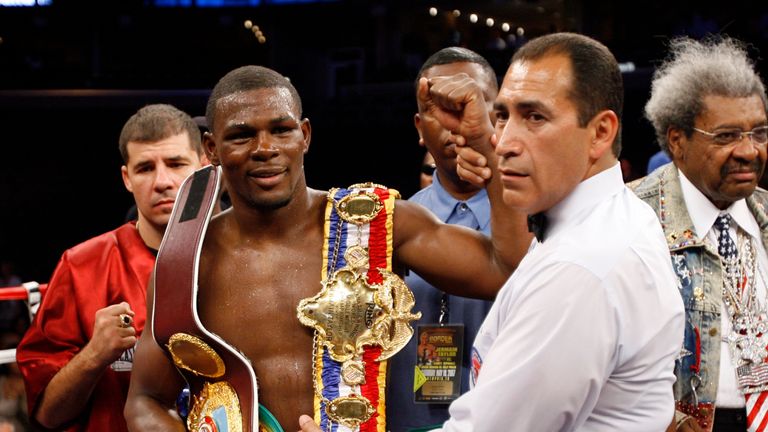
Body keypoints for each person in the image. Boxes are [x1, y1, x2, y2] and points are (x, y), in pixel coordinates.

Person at [301, 31, 686, 432]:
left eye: (534, 117)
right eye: (502, 116)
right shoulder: (618, 217)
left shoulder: (580, 268)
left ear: (601, 133)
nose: (502, 143)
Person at [124, 65, 532, 431]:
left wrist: (484, 143)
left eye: (281, 130)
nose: (265, 148)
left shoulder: (372, 222)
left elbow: (506, 269)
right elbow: (144, 401)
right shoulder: (188, 260)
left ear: (304, 135)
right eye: (242, 135)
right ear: (212, 150)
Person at [15, 104, 207, 431]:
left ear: (204, 166)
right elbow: (47, 415)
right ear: (127, 178)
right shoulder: (81, 266)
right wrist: (95, 355)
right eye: (145, 168)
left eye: (176, 164)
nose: (162, 181)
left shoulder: (241, 257)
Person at [627, 36, 768, 432]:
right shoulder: (626, 218)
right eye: (726, 136)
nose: (749, 150)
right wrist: (663, 418)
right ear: (677, 140)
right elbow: (588, 349)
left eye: (758, 132)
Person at [387, 46, 499, 432]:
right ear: (419, 128)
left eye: (471, 105)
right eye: (443, 110)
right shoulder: (392, 227)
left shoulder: (536, 224)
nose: (459, 122)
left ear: (497, 116)